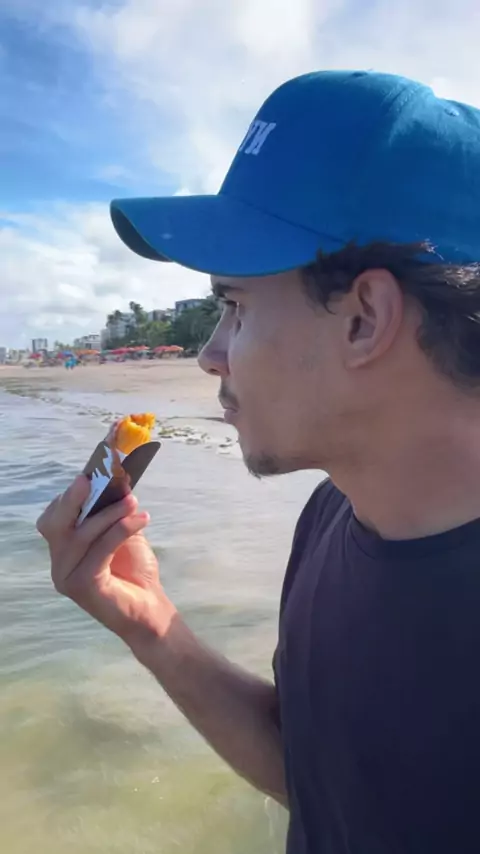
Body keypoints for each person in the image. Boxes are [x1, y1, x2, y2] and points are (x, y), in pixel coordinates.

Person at [37, 71, 480, 853]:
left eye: (235, 307)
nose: (210, 355)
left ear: (364, 319)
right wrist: (150, 623)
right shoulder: (336, 510)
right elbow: (325, 783)